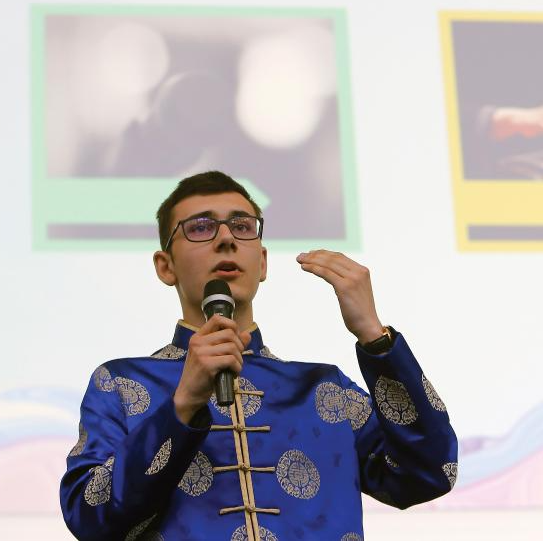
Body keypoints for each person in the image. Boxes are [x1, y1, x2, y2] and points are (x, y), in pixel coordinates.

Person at [59, 171, 457, 541]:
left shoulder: (323, 389)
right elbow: (88, 516)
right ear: (166, 267)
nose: (226, 238)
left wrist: (375, 338)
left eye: (242, 226)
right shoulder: (122, 383)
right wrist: (181, 408)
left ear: (262, 262)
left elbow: (431, 472)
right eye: (200, 227)